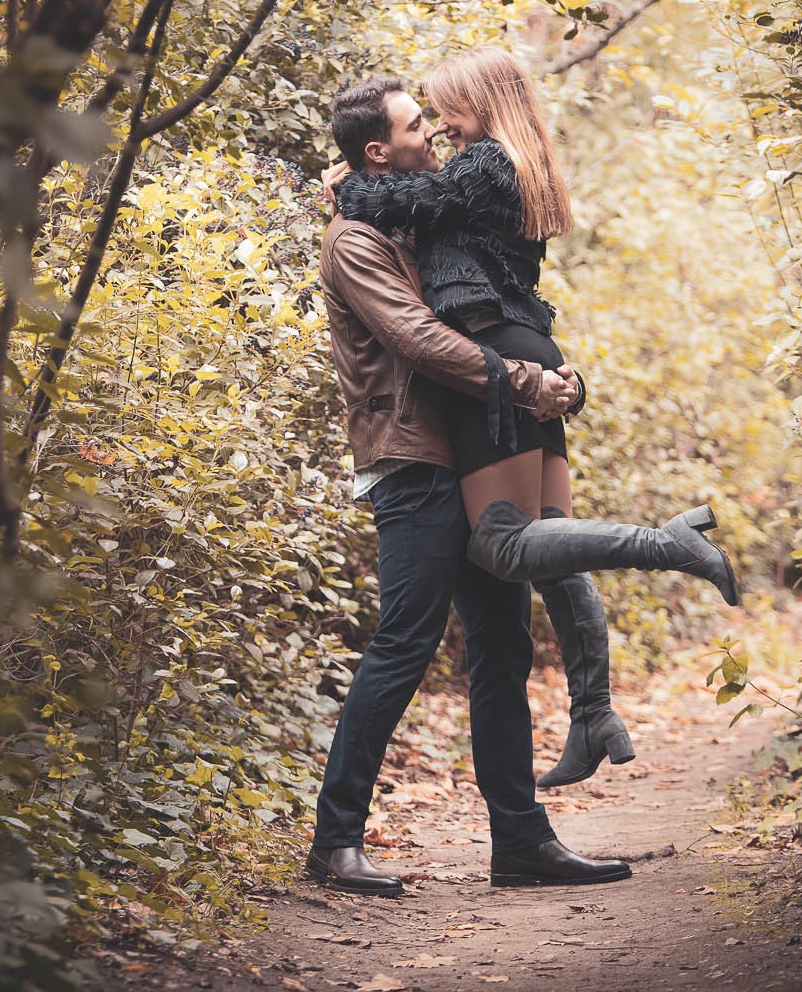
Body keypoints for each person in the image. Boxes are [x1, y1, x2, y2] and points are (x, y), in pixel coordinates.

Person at [326, 53, 739, 793]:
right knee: (548, 552)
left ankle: (664, 543)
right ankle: (593, 711)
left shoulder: (481, 164)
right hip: (520, 357)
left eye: (442, 110)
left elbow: (408, 210)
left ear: (483, 103)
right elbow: (414, 233)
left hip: (499, 364)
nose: (439, 123)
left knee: (508, 542)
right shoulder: (494, 168)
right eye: (423, 117)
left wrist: (347, 188)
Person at [308, 76, 636, 896]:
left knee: (504, 643)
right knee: (406, 642)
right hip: (414, 461)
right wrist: (524, 379)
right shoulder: (354, 242)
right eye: (419, 124)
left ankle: (521, 843)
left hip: (468, 449)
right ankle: (335, 839)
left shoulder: (416, 222)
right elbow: (417, 338)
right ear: (379, 149)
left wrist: (550, 374)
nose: (434, 132)